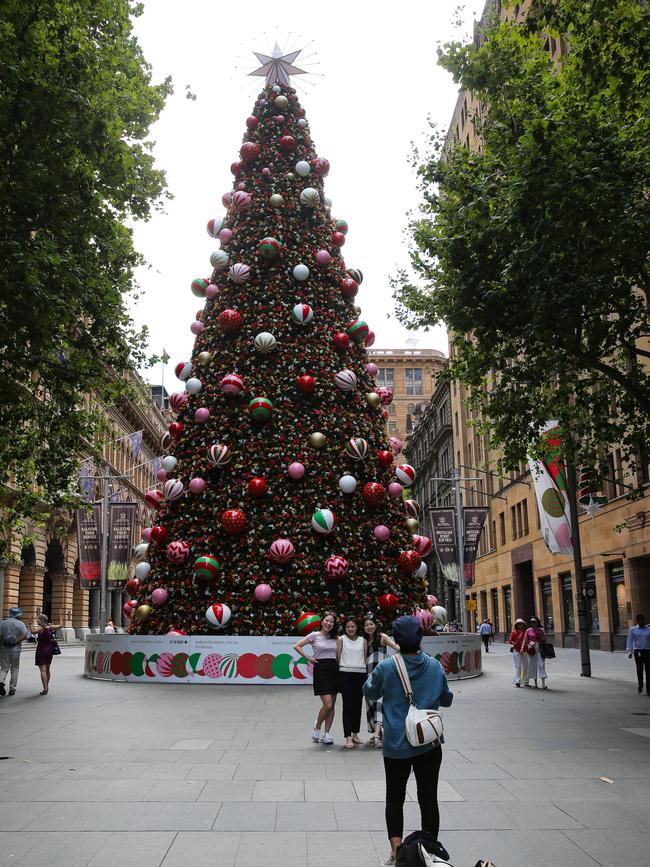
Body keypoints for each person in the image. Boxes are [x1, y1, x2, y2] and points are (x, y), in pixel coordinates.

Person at [364, 615, 453, 867]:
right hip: (429, 743)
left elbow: (370, 692)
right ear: (420, 638)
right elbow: (446, 699)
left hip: (396, 745)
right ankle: (429, 851)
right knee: (428, 798)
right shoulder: (434, 666)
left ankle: (396, 853)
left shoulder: (387, 666)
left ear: (396, 640)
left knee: (394, 797)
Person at [294, 611, 339, 745]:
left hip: (335, 670)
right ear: (321, 621)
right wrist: (308, 657)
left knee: (332, 706)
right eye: (327, 620)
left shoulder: (337, 638)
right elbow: (297, 646)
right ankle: (317, 726)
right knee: (328, 704)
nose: (329, 623)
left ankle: (327, 734)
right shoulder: (314, 635)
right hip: (321, 671)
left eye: (331, 622)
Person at [363, 614, 399, 748]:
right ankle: (378, 732)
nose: (369, 627)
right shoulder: (364, 640)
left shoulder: (382, 637)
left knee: (379, 703)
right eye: (366, 625)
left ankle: (377, 735)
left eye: (371, 624)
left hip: (382, 676)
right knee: (371, 705)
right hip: (368, 676)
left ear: (376, 625)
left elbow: (397, 648)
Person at [337, 616, 368, 749]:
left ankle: (355, 734)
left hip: (361, 674)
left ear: (357, 627)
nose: (350, 629)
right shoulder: (341, 639)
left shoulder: (363, 641)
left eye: (353, 626)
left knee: (358, 705)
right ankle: (348, 737)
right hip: (345, 674)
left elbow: (365, 658)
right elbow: (338, 657)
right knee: (348, 705)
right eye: (348, 627)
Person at [0, 607, 30, 696]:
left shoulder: (2, 623)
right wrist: (16, 641)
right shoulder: (20, 624)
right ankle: (12, 688)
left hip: (4, 648)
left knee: (4, 667)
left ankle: (1, 681)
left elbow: (0, 636)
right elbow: (25, 635)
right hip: (16, 648)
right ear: (18, 615)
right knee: (15, 668)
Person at [31, 612, 63, 695]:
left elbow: (33, 632)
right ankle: (47, 686)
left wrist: (30, 623)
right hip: (49, 650)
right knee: (48, 669)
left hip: (41, 650)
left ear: (39, 621)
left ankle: (45, 688)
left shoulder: (41, 628)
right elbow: (61, 625)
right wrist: (60, 616)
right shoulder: (50, 627)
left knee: (43, 670)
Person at [626, 613, 650, 695]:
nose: (641, 621)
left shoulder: (649, 629)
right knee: (639, 669)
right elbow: (630, 640)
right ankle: (640, 685)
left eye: (642, 620)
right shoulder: (633, 629)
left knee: (648, 670)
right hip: (638, 651)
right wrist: (630, 651)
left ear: (644, 620)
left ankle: (648, 689)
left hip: (647, 651)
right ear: (637, 621)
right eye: (639, 620)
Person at [524, 616, 547, 689]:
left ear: (538, 623)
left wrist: (541, 638)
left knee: (541, 664)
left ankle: (543, 683)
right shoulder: (528, 630)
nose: (533, 623)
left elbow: (544, 639)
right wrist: (529, 644)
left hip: (540, 647)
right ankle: (535, 683)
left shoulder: (541, 630)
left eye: (535, 622)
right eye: (532, 622)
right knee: (532, 664)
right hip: (532, 648)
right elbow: (526, 639)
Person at [508, 618, 528, 687]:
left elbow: (528, 639)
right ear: (516, 625)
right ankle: (517, 681)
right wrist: (514, 643)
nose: (520, 625)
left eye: (521, 624)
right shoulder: (514, 632)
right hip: (516, 650)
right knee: (518, 666)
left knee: (525, 666)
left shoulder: (526, 632)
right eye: (518, 624)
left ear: (523, 625)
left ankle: (525, 681)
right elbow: (510, 640)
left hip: (524, 650)